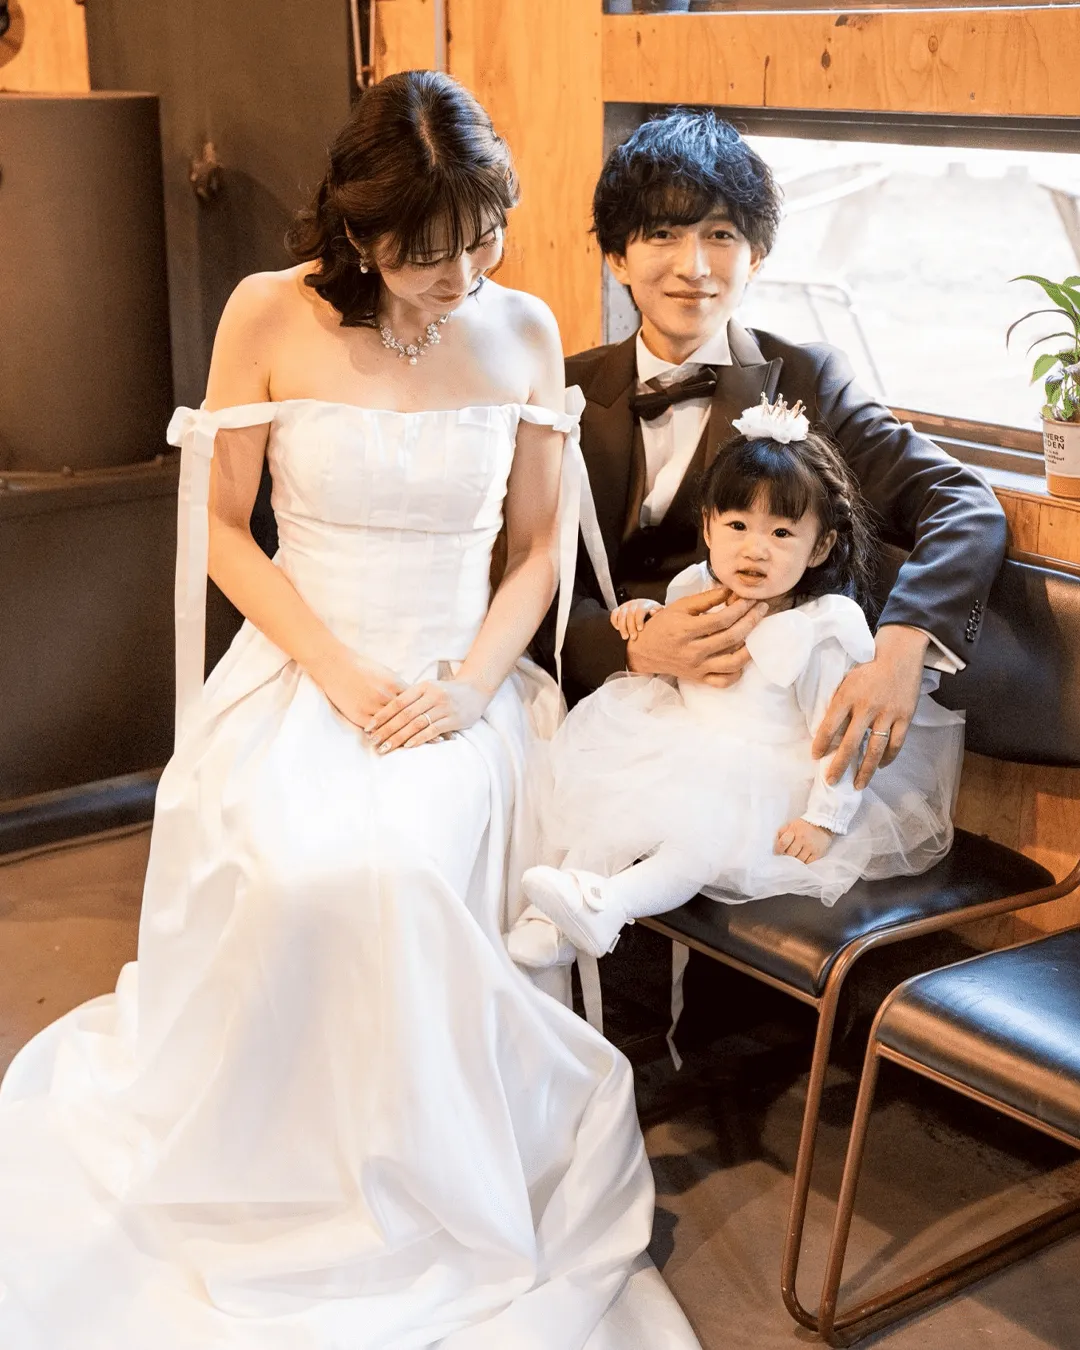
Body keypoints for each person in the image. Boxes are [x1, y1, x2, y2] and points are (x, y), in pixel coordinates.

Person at [0, 72, 700, 1350]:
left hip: (459, 677)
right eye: (428, 255)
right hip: (304, 662)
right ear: (357, 232)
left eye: (483, 238)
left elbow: (537, 550)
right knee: (291, 868)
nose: (463, 278)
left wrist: (471, 685)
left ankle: (428, 1183)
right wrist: (331, 671)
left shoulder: (524, 328)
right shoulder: (267, 313)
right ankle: (283, 1177)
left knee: (398, 870)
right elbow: (222, 529)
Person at [549, 110, 1005, 798]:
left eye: (721, 235)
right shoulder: (559, 390)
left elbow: (963, 505)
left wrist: (903, 644)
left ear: (756, 256)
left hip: (763, 746)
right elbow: (518, 571)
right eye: (663, 234)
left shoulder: (809, 382)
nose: (693, 267)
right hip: (591, 720)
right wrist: (629, 648)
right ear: (617, 257)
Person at [513, 397, 964, 961]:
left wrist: (824, 821)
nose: (755, 548)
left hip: (765, 781)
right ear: (708, 526)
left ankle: (610, 906)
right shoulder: (694, 585)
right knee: (608, 815)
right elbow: (677, 655)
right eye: (737, 525)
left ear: (821, 546)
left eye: (782, 533)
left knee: (693, 846)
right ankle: (553, 922)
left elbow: (841, 739)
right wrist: (644, 617)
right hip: (680, 742)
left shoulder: (816, 632)